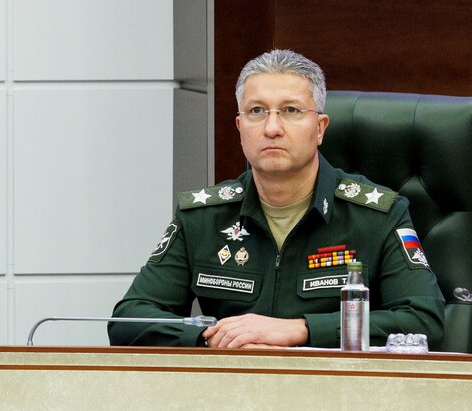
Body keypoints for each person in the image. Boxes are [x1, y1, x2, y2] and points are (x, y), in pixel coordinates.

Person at [108, 49, 444, 349]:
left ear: (320, 128)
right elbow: (129, 318)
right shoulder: (203, 217)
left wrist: (300, 330)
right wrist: (216, 339)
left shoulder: (377, 215)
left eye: (291, 110)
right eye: (257, 111)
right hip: (233, 386)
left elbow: (423, 320)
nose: (271, 128)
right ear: (240, 127)